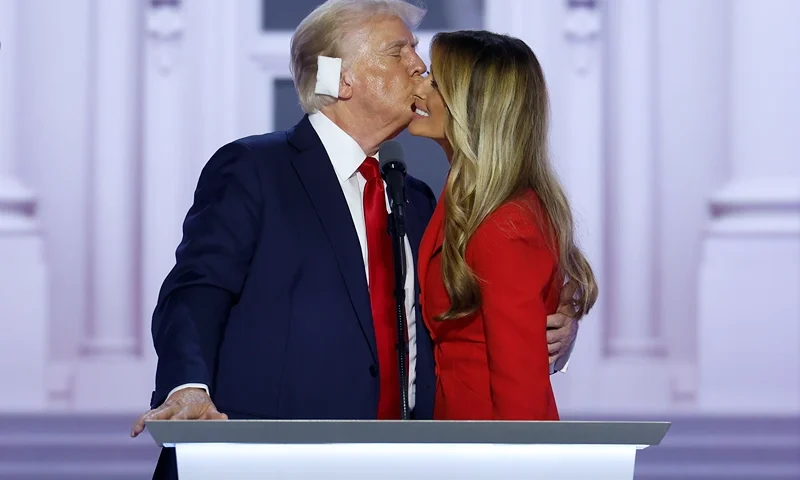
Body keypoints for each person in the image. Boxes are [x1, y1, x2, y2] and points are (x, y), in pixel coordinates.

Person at [130, 1, 580, 478]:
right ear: (341, 79)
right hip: (268, 462)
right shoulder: (254, 170)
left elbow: (473, 310)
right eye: (398, 51)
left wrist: (557, 322)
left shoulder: (420, 200)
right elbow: (196, 290)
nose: (420, 66)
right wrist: (187, 387)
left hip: (398, 463)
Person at [409, 30, 598, 420]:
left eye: (437, 82)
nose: (420, 86)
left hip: (490, 448)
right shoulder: (470, 203)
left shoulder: (506, 223)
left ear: (472, 106)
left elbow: (520, 388)